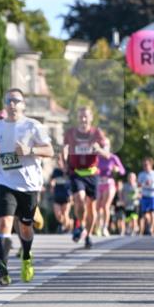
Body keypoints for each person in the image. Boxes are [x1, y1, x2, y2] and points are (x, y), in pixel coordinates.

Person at [0, 88, 53, 285]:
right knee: (4, 222)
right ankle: (3, 266)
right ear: (4, 104)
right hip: (5, 182)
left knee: (25, 228)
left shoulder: (33, 126)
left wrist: (29, 150)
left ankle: (26, 256)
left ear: (23, 105)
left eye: (16, 100)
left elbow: (50, 150)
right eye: (9, 100)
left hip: (28, 185)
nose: (12, 104)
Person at [63, 105, 109, 249]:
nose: (83, 119)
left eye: (86, 116)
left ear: (91, 118)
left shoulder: (97, 133)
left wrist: (99, 149)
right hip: (76, 172)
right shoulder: (70, 133)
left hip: (92, 173)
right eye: (81, 117)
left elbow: (107, 154)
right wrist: (64, 160)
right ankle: (80, 225)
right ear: (77, 118)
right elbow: (64, 149)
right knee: (79, 199)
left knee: (91, 207)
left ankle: (88, 235)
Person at [94, 149, 125, 236]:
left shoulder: (113, 157)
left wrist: (117, 169)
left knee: (105, 206)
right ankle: (98, 226)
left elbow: (123, 171)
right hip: (99, 183)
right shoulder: (96, 157)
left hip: (109, 183)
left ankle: (105, 227)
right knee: (97, 207)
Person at [138, 156, 154, 235]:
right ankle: (148, 225)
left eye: (147, 164)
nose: (145, 166)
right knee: (145, 214)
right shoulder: (141, 174)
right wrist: (140, 191)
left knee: (152, 212)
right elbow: (139, 185)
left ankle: (151, 229)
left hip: (153, 195)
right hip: (144, 195)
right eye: (144, 165)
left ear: (151, 165)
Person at [48, 153, 72, 233]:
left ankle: (65, 228)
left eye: (60, 159)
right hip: (57, 195)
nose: (58, 161)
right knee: (58, 215)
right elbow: (51, 180)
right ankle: (69, 223)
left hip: (67, 196)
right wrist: (52, 184)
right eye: (57, 159)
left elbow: (73, 182)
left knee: (65, 213)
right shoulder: (56, 171)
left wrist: (72, 195)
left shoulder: (69, 171)